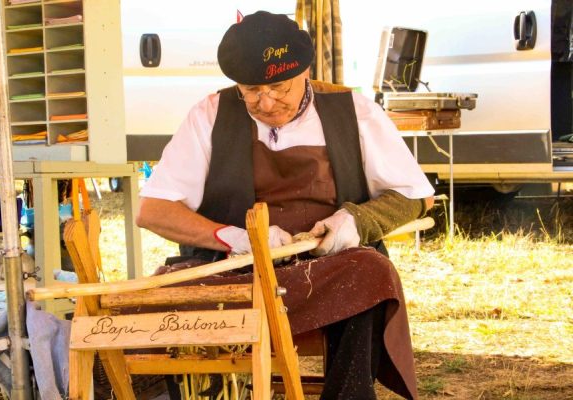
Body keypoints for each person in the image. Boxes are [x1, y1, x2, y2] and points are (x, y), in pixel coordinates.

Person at [136, 10, 434, 400]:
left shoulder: (354, 112)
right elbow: (152, 210)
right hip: (237, 273)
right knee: (174, 293)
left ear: (305, 72)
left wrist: (355, 221)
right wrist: (235, 238)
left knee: (369, 272)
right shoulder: (209, 115)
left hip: (326, 271)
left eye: (279, 87)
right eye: (251, 90)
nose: (266, 102)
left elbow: (416, 195)